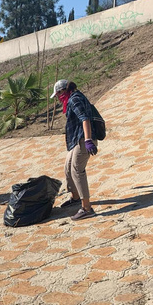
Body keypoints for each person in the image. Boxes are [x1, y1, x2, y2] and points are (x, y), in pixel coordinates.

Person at [51, 80, 98, 221]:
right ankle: (76, 197)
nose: (58, 99)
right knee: (68, 167)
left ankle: (87, 208)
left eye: (58, 95)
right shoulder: (73, 97)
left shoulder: (74, 100)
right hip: (76, 140)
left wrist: (88, 140)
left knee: (77, 170)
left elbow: (85, 119)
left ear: (61, 92)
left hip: (83, 140)